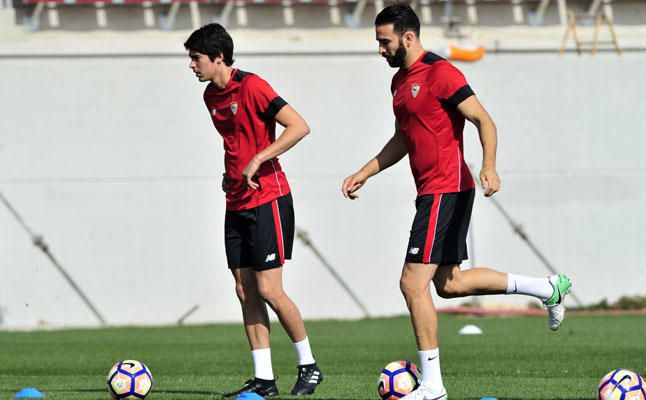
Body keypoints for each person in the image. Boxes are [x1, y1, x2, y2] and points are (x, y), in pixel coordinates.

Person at [341, 4, 571, 400]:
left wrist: (490, 166)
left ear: (408, 37)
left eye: (385, 41)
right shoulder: (398, 83)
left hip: (446, 189)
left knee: (412, 284)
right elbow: (403, 138)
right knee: (450, 284)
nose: (380, 49)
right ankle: (547, 288)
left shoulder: (441, 73)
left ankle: (433, 386)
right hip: (433, 192)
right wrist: (366, 171)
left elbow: (484, 120)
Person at [184, 23, 323, 397]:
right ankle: (264, 380)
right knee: (245, 291)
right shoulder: (210, 97)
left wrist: (259, 159)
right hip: (236, 202)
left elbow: (298, 126)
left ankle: (309, 366)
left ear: (218, 57)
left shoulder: (253, 86)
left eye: (196, 58)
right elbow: (235, 142)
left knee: (269, 289)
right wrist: (230, 173)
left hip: (268, 199)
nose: (191, 65)